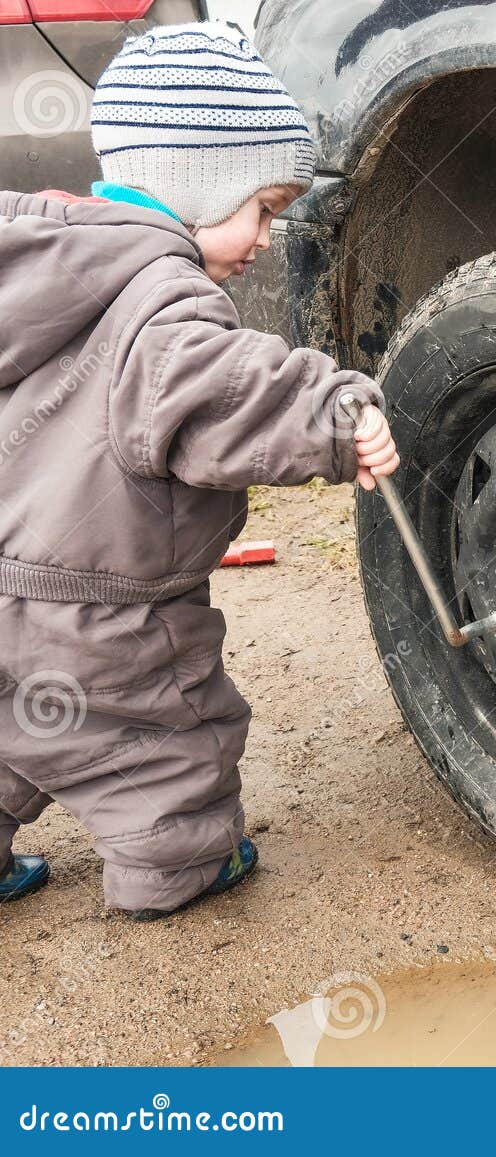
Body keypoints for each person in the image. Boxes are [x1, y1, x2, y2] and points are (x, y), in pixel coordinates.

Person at [0, 21, 399, 919]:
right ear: (199, 183)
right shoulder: (164, 298)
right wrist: (335, 413)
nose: (267, 237)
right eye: (263, 208)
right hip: (108, 607)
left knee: (15, 725)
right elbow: (223, 392)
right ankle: (173, 870)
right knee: (167, 738)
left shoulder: (44, 272)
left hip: (7, 584)